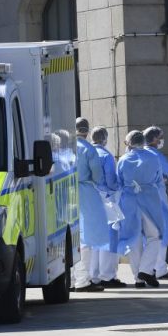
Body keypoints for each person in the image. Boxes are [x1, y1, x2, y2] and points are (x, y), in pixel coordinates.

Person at [117, 131, 164, 288]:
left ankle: (139, 277)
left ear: (129, 143)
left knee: (133, 239)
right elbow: (158, 178)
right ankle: (145, 270)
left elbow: (119, 181)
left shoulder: (123, 160)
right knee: (155, 236)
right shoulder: (153, 157)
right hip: (149, 200)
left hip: (129, 201)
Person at [72, 118, 108, 292]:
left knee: (69, 237)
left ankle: (70, 279)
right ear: (87, 131)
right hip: (85, 193)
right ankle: (83, 279)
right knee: (85, 238)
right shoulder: (89, 149)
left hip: (65, 192)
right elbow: (97, 175)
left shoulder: (64, 148)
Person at [89, 126, 126, 288]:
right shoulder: (106, 156)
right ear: (105, 138)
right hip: (105, 200)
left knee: (92, 240)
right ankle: (107, 275)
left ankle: (93, 275)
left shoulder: (85, 153)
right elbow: (111, 181)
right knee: (109, 237)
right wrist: (119, 188)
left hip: (88, 200)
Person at [143, 126, 168, 280]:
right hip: (157, 197)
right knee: (162, 231)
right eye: (160, 137)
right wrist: (165, 177)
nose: (162, 140)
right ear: (153, 139)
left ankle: (148, 268)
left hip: (139, 199)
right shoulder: (155, 155)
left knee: (146, 234)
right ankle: (160, 268)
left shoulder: (135, 153)